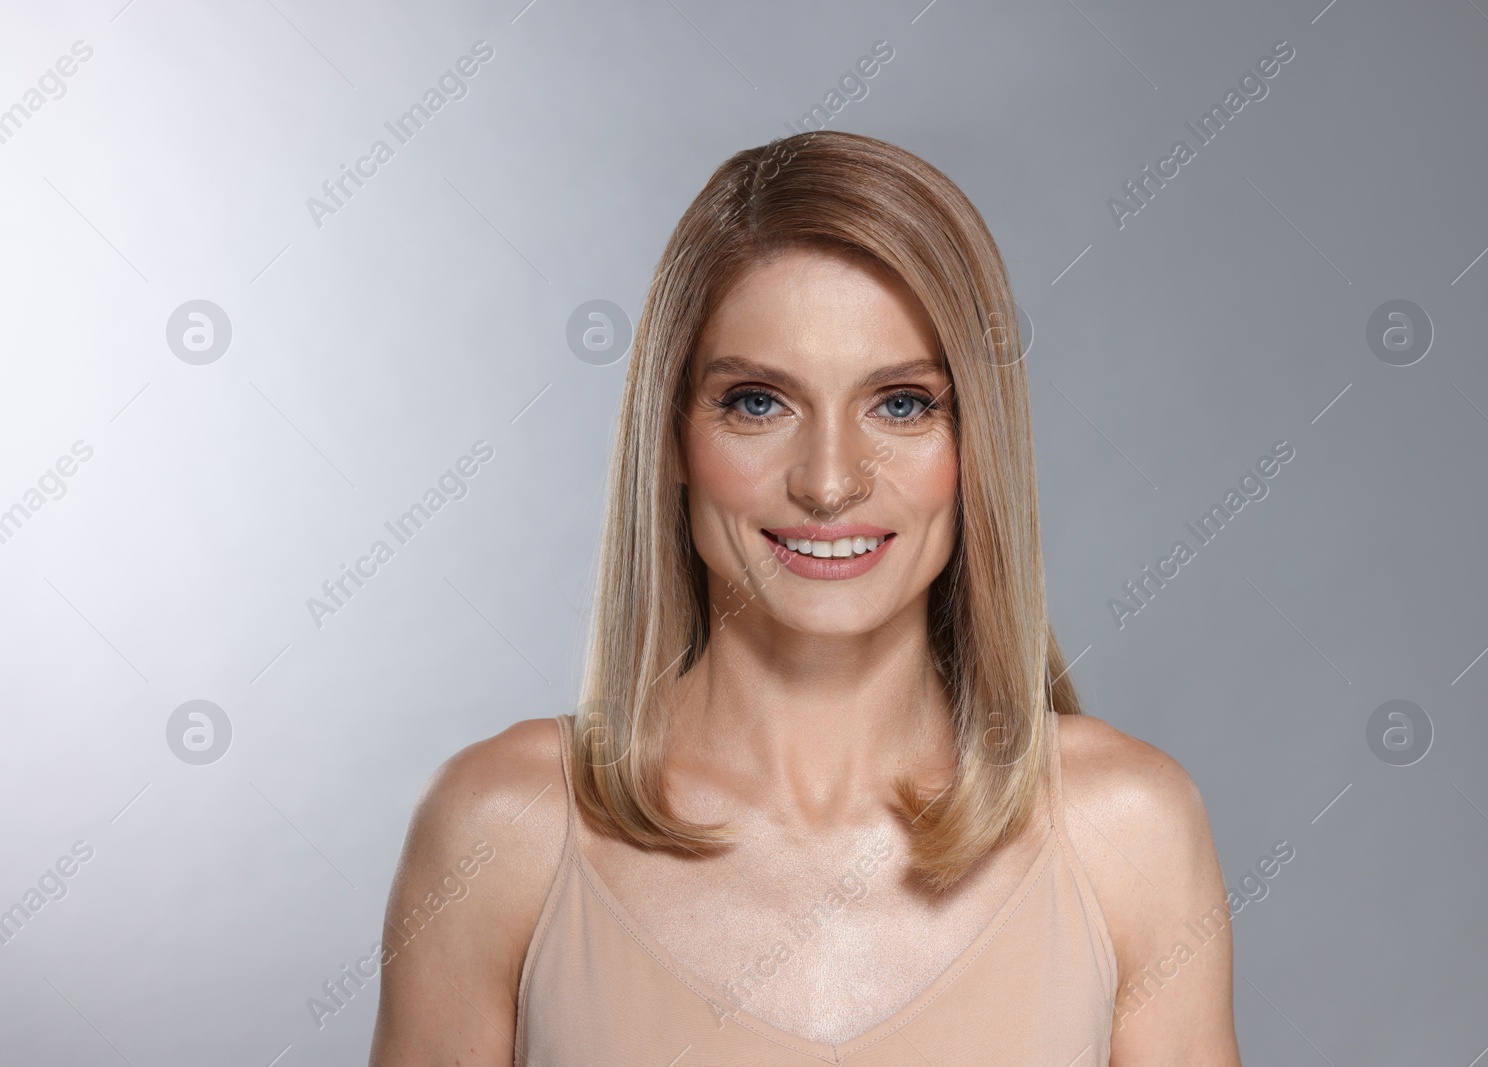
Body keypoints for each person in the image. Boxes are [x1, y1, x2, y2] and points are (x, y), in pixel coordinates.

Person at [369, 130, 1241, 1065]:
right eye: (757, 401)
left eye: (901, 403)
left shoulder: (1126, 832)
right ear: (669, 439)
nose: (829, 482)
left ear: (977, 443)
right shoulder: (503, 830)